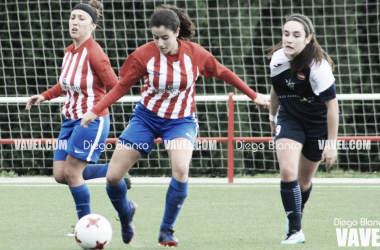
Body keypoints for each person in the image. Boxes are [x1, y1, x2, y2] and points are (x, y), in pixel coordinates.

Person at [80, 4, 269, 247]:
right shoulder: (142, 56)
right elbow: (121, 87)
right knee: (114, 177)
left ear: (177, 32)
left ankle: (166, 230)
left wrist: (254, 95)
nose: (159, 43)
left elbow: (224, 73)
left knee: (181, 169)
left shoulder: (195, 54)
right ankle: (126, 214)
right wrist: (95, 111)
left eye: (165, 38)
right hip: (146, 118)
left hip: (180, 121)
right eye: (155, 37)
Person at [25, 0, 131, 235]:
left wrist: (94, 111)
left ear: (93, 25)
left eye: (81, 18)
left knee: (73, 173)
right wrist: (44, 96)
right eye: (73, 17)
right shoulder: (69, 52)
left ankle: (86, 228)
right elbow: (65, 85)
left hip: (91, 121)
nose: (75, 22)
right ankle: (113, 171)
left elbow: (117, 87)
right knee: (60, 175)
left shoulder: (95, 53)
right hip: (70, 121)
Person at [267, 13, 339, 244]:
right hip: (289, 119)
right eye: (286, 34)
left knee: (302, 182)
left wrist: (330, 144)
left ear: (308, 39)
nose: (289, 39)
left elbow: (332, 108)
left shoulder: (319, 67)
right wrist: (272, 117)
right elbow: (276, 90)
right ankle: (295, 230)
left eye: (296, 35)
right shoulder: (278, 59)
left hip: (317, 125)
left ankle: (295, 218)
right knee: (288, 171)